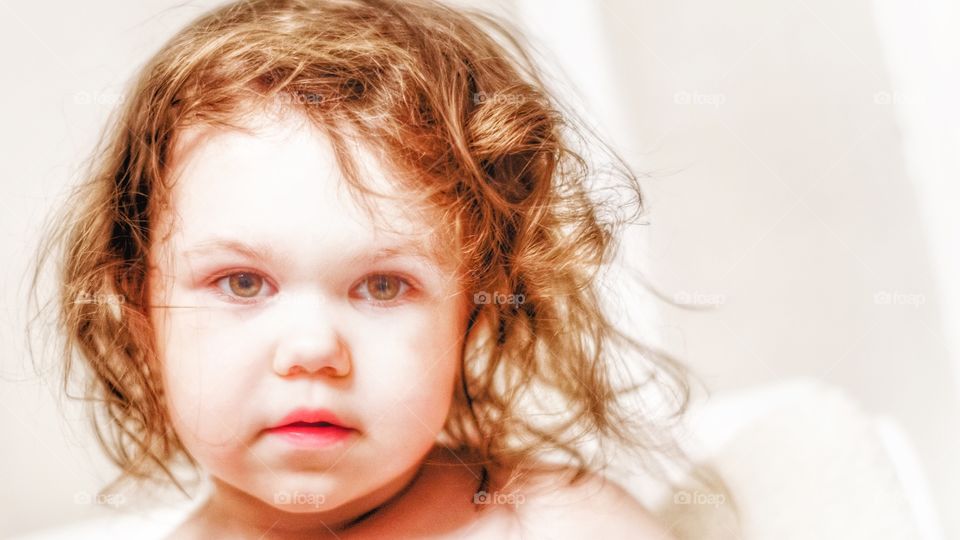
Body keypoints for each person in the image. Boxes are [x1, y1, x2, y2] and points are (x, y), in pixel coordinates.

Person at [36, 0, 716, 537]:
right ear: (136, 312)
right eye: (243, 283)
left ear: (476, 316)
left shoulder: (557, 524)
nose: (312, 350)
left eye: (383, 286)